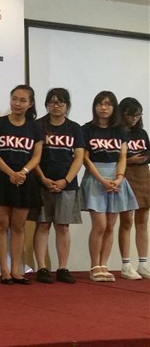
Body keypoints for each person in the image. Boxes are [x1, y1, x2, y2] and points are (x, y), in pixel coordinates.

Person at [0, 85, 43, 285]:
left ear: (30, 104)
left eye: (23, 100)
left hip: (24, 179)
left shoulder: (35, 127)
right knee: (1, 224)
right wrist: (10, 173)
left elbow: (37, 155)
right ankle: (4, 270)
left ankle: (16, 269)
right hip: (1, 177)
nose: (17, 103)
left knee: (19, 226)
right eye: (14, 98)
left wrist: (23, 172)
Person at [79, 91, 138, 282]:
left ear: (114, 108)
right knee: (100, 225)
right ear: (95, 107)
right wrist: (101, 180)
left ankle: (104, 265)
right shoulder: (86, 129)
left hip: (116, 179)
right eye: (100, 104)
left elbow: (122, 157)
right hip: (95, 178)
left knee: (111, 226)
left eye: (108, 104)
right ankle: (94, 265)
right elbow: (85, 158)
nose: (103, 108)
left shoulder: (119, 130)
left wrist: (119, 178)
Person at [28, 88, 85, 284]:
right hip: (41, 182)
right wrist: (43, 178)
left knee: (63, 226)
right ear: (46, 105)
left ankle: (63, 267)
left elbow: (78, 157)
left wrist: (66, 180)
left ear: (67, 105)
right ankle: (42, 267)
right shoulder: (37, 126)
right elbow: (33, 156)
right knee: (42, 225)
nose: (56, 106)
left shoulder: (74, 128)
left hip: (66, 185)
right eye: (52, 102)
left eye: (60, 102)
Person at [118, 97, 148, 279]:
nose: (135, 118)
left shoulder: (142, 133)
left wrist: (144, 158)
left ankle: (143, 263)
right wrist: (130, 160)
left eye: (138, 115)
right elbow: (112, 157)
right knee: (127, 221)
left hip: (143, 175)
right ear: (122, 114)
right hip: (125, 174)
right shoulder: (117, 133)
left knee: (143, 221)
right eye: (131, 115)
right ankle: (126, 264)